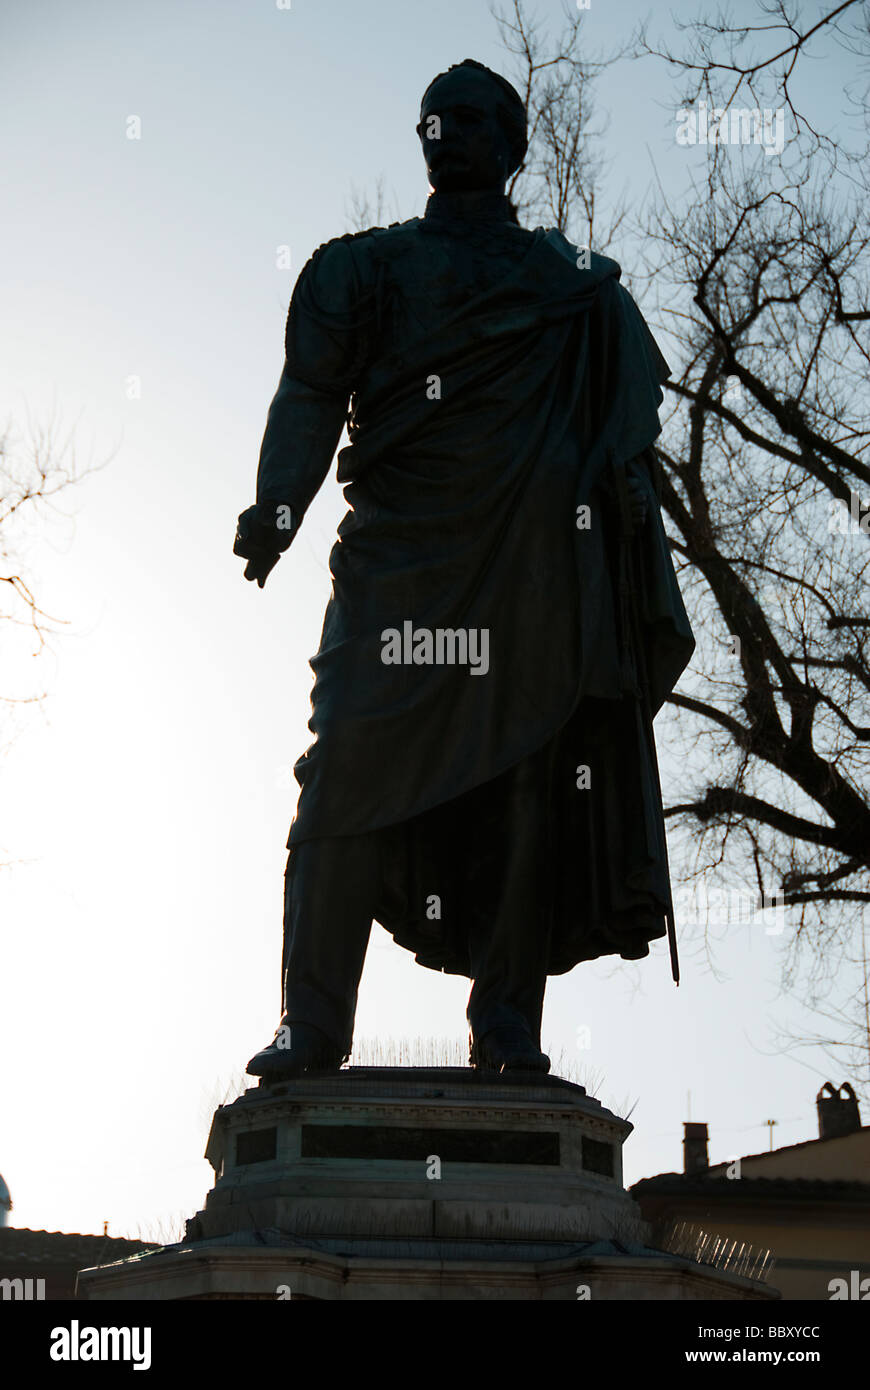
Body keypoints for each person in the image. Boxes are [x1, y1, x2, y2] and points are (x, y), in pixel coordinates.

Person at [234, 59, 695, 1078]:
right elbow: (310, 392)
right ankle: (311, 1024)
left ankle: (508, 1033)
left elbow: (623, 428)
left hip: (531, 570)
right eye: (443, 116)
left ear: (515, 146)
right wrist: (278, 502)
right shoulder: (362, 269)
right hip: (399, 569)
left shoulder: (573, 287)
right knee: (344, 772)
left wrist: (621, 516)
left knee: (523, 788)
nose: (460, 129)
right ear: (424, 137)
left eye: (483, 118)